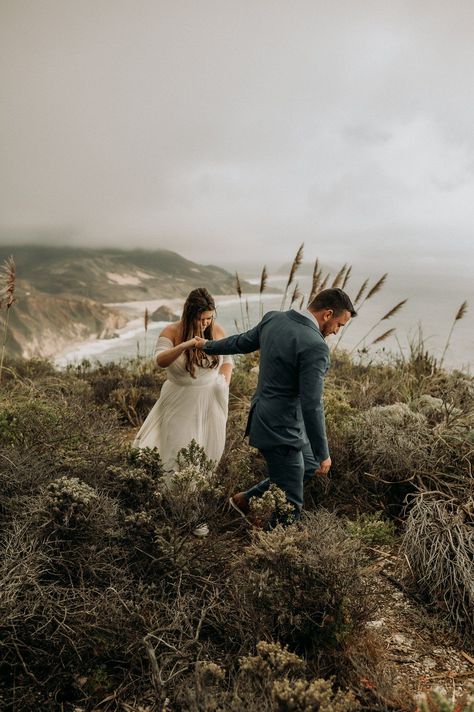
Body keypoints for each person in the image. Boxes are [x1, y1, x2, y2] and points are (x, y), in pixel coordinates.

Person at [195, 288, 356, 526]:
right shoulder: (316, 346)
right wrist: (324, 452)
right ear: (327, 314)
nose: (335, 331)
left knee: (309, 464)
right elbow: (312, 404)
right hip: (283, 431)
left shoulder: (274, 318)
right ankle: (274, 553)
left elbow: (241, 342)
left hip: (266, 417)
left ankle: (245, 500)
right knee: (290, 506)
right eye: (338, 325)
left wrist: (208, 345)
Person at [133, 288, 233, 523]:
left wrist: (224, 384)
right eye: (201, 318)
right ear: (189, 315)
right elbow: (159, 361)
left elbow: (228, 362)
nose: (206, 323)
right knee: (179, 454)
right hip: (179, 401)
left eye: (209, 317)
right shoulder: (171, 331)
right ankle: (180, 510)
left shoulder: (216, 331)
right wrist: (186, 345)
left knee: (208, 453)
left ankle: (195, 510)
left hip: (210, 400)